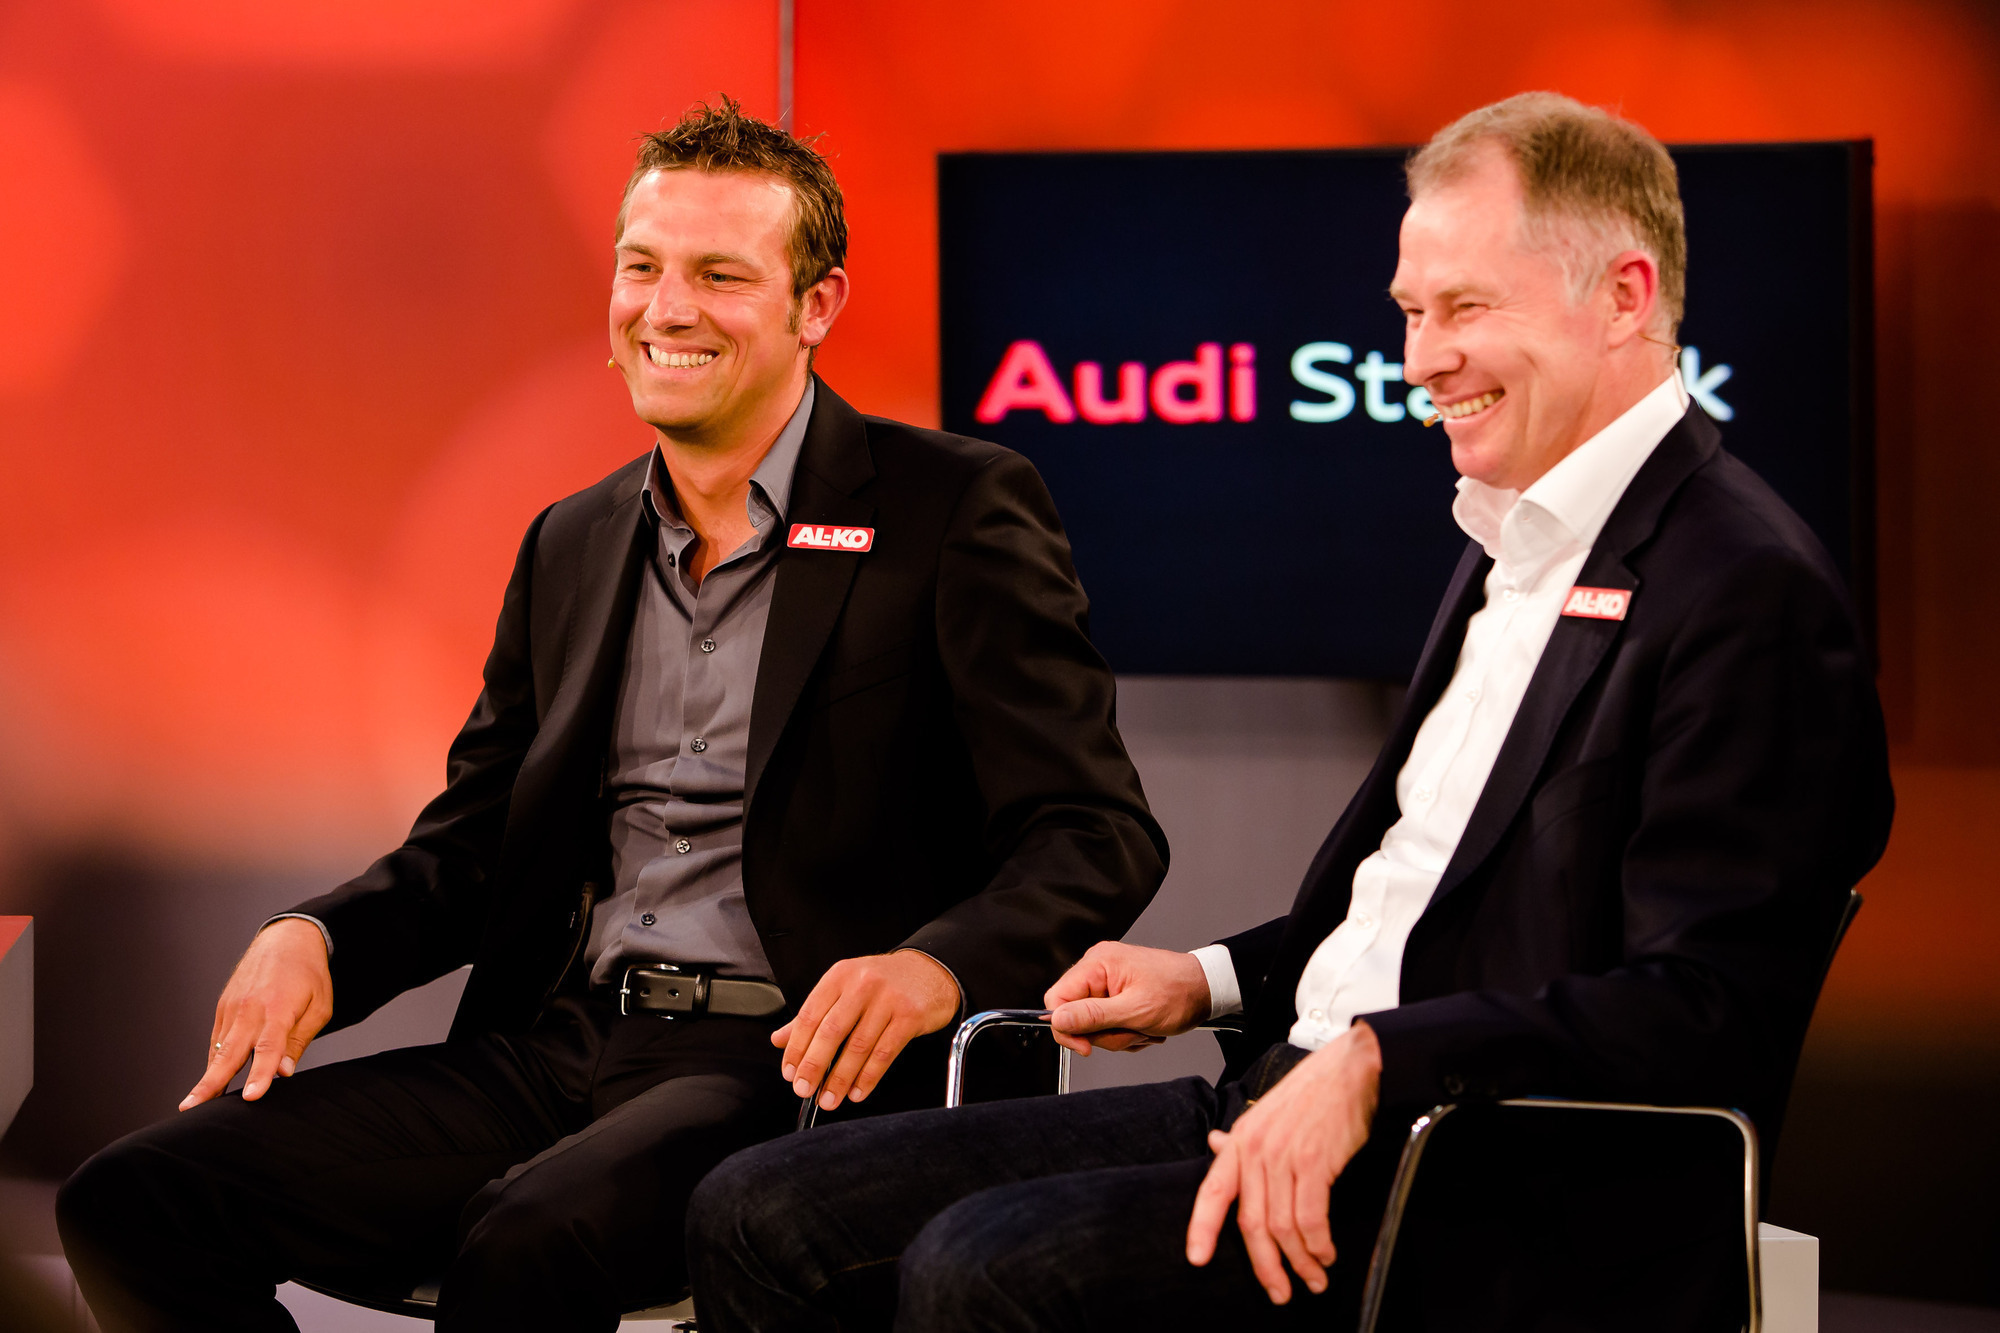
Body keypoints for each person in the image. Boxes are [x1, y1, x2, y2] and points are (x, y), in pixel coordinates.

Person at [684, 92, 1895, 1332]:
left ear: (1626, 296)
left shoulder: (1745, 592)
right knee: (759, 1209)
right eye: (1411, 314)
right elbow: (1431, 909)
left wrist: (1377, 1063)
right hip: (1279, 1089)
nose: (1420, 358)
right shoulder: (1510, 532)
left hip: (1482, 1177)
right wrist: (1203, 979)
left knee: (983, 1267)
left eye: (1466, 308)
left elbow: (1705, 1012)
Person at [55, 99, 1167, 1333]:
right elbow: (473, 848)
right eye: (641, 268)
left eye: (718, 276)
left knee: (527, 1240)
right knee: (134, 1198)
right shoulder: (572, 540)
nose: (666, 308)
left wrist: (932, 964)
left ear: (817, 307)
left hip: (789, 1065)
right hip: (557, 1050)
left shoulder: (953, 508)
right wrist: (314, 934)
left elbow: (1093, 830)